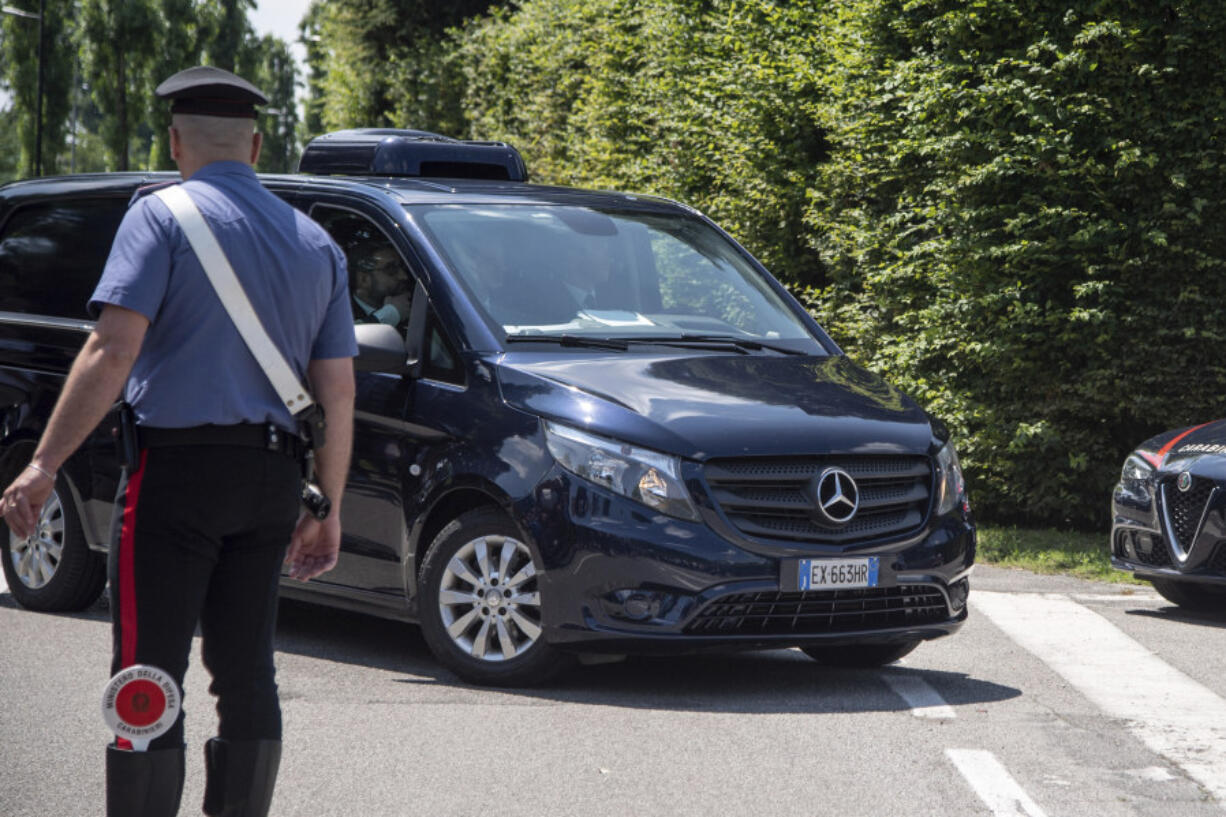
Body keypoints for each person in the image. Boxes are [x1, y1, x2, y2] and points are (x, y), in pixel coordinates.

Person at [0, 66, 357, 817]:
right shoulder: (318, 244)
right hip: (273, 477)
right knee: (247, 672)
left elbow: (111, 351)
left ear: (174, 141)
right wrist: (329, 502)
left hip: (174, 474)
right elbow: (338, 391)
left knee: (145, 669)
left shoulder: (159, 217)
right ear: (256, 145)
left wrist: (43, 464)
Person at [352, 244, 411, 327]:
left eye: (402, 267)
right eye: (391, 269)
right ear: (364, 279)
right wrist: (392, 313)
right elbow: (346, 338)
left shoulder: (412, 307)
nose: (404, 276)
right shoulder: (339, 311)